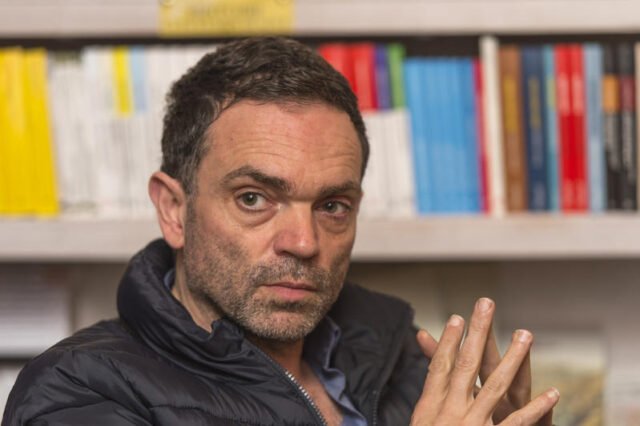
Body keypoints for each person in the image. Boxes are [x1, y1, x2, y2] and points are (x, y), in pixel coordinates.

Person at [3, 37, 558, 425]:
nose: (304, 242)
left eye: (333, 205)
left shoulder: (401, 356)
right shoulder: (77, 389)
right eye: (254, 198)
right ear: (174, 210)